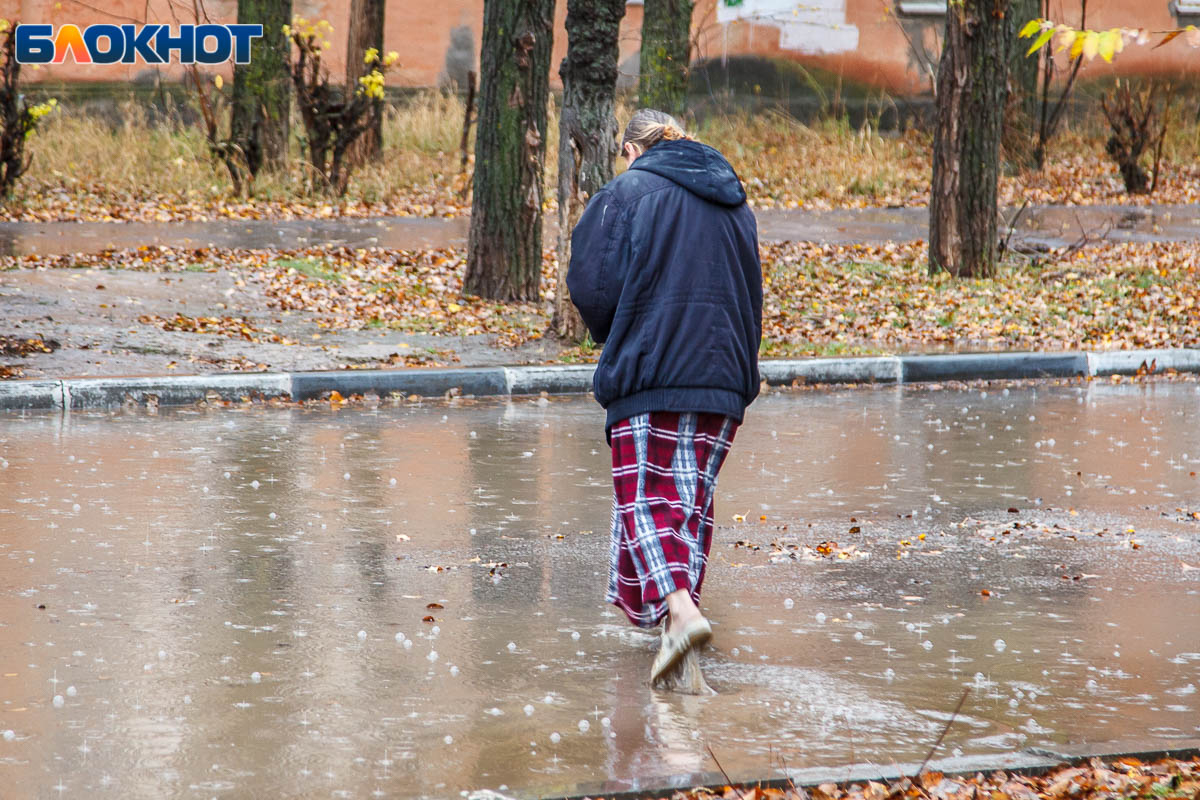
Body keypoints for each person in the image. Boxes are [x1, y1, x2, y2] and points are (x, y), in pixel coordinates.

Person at [566, 109, 762, 685]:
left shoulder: (629, 191)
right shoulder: (733, 199)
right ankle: (677, 641)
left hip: (654, 368)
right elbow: (753, 287)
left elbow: (591, 284)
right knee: (689, 506)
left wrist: (613, 333)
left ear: (631, 149)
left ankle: (677, 613)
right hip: (724, 376)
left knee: (647, 498)